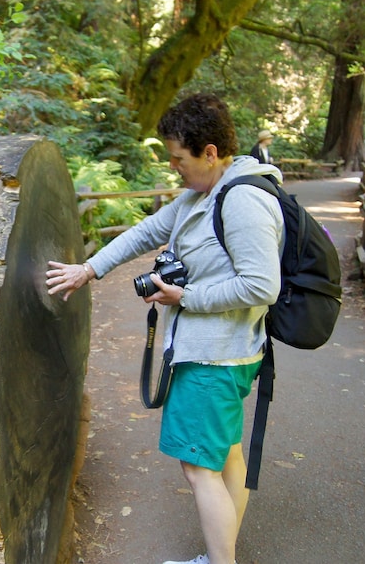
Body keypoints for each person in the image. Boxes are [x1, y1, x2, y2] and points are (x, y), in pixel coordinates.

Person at [45, 93, 284, 564]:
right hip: (221, 351)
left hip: (213, 357)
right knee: (226, 455)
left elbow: (262, 286)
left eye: (178, 157)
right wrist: (88, 270)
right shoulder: (205, 193)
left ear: (209, 152)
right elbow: (144, 232)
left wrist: (184, 297)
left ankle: (220, 562)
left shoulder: (243, 200)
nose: (174, 166)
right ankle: (222, 555)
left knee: (198, 468)